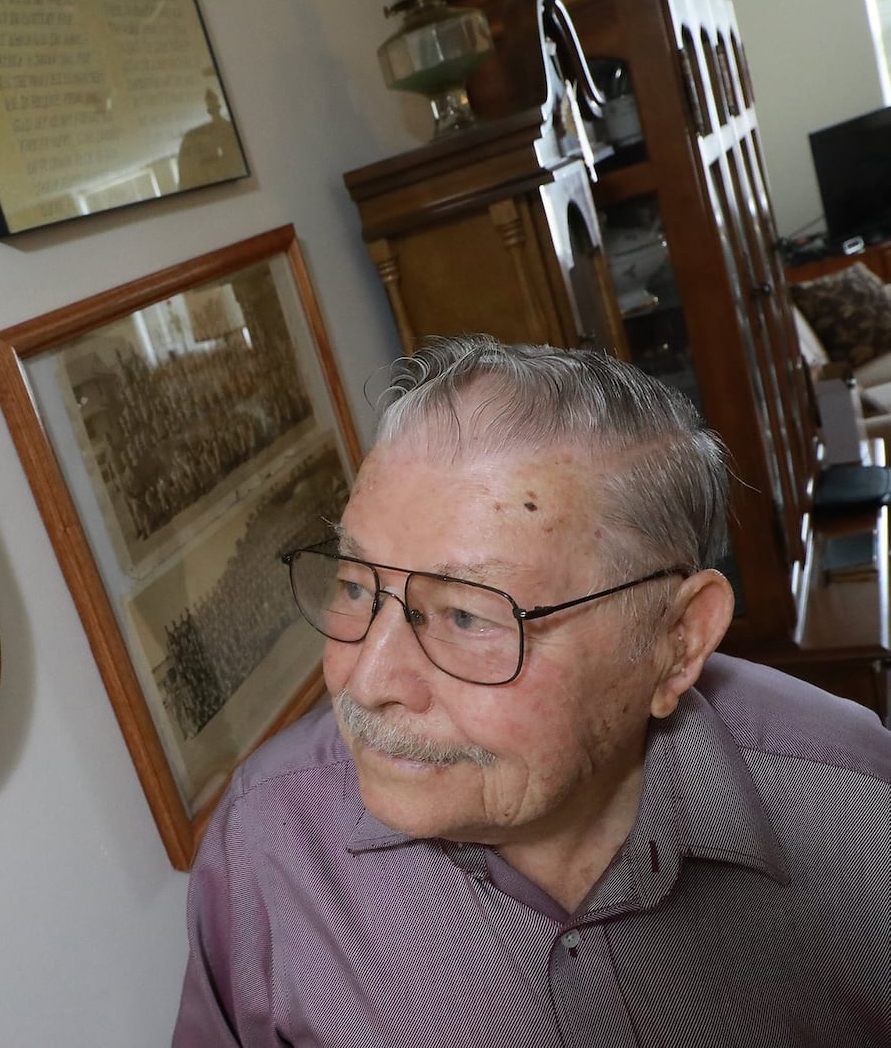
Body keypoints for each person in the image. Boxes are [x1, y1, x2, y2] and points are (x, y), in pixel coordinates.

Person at [173, 335, 891, 1046]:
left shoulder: (860, 816)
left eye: (466, 614)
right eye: (357, 585)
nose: (366, 679)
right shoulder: (267, 840)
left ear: (678, 641)